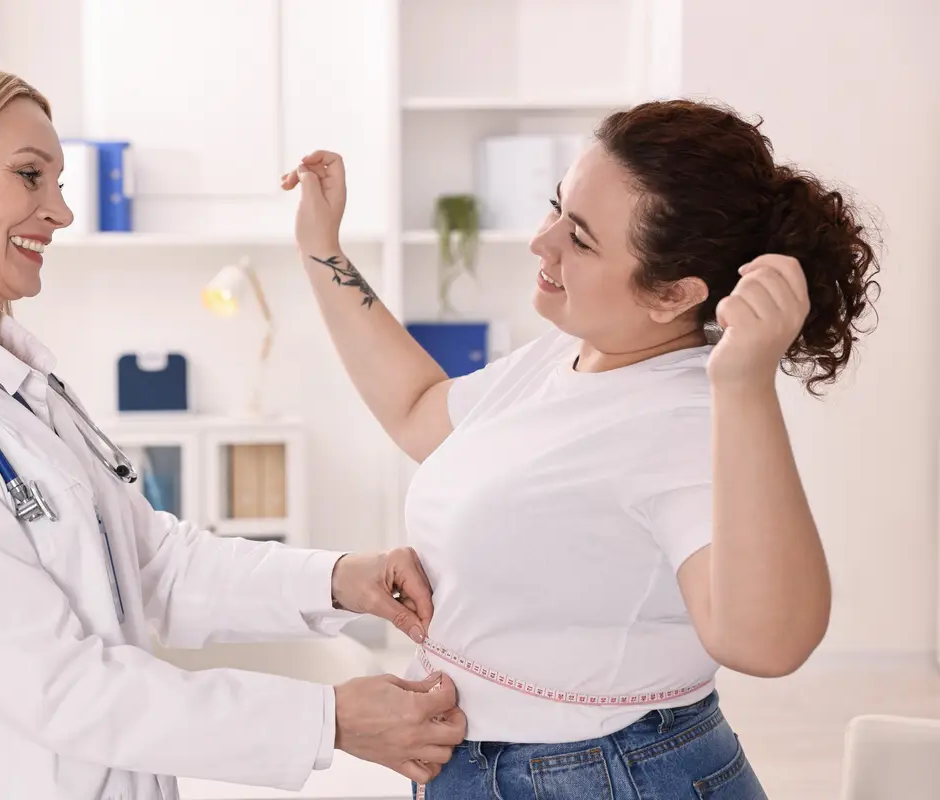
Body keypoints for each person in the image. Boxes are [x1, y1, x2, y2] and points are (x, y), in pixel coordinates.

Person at [0, 51, 467, 800]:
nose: (62, 211)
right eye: (29, 175)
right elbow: (57, 684)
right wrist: (324, 719)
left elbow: (151, 566)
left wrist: (339, 580)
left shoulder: (13, 388)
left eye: (59, 181)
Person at [282, 98, 880, 798]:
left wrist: (745, 386)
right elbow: (420, 411)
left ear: (673, 294)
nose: (543, 241)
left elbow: (768, 642)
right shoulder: (574, 354)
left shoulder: (689, 416)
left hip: (603, 776)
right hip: (497, 769)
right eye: (556, 206)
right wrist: (322, 250)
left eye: (583, 239)